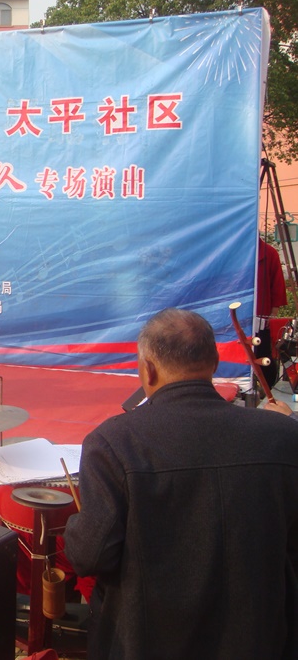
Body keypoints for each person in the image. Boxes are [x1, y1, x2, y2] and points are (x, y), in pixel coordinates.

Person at [64, 308, 298, 659]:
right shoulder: (282, 435)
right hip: (261, 638)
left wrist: (74, 526)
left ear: (148, 369)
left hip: (145, 642)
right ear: (214, 363)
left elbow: (90, 556)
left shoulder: (114, 442)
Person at [256, 237, 288, 387]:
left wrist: (273, 314)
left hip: (261, 317)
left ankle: (270, 389)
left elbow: (277, 286)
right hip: (237, 317)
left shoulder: (269, 253)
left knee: (263, 356)